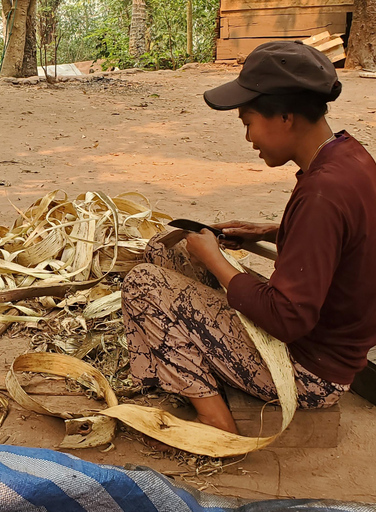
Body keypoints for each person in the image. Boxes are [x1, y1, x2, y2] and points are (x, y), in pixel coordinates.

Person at [121, 41, 376, 436]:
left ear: (286, 116)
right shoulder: (348, 158)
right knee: (163, 249)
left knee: (143, 285)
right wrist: (275, 232)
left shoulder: (322, 194)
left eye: (248, 121)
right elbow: (347, 241)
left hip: (307, 371)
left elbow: (287, 319)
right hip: (325, 346)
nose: (248, 137)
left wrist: (215, 260)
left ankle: (215, 420)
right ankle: (202, 369)